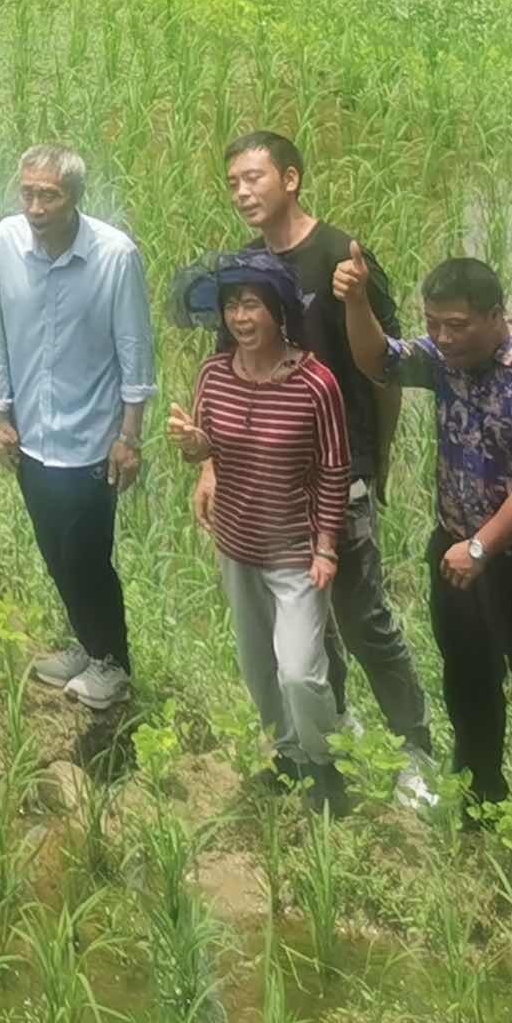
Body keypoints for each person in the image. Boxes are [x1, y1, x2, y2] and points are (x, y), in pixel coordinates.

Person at [340, 252, 512, 846]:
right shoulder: (443, 359)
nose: (443, 337)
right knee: (469, 685)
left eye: (456, 325)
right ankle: (479, 813)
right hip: (455, 553)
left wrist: (481, 547)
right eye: (433, 323)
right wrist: (356, 301)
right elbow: (380, 360)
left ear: (496, 315)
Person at [223, 134, 442, 807]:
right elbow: (230, 371)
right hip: (270, 483)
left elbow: (387, 367)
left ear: (291, 179)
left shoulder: (342, 257)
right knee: (302, 629)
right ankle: (332, 738)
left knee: (361, 615)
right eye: (233, 182)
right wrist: (212, 469)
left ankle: (414, 750)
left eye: (254, 177)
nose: (242, 192)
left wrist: (376, 463)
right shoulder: (246, 267)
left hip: (340, 474)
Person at [169, 250, 351, 803]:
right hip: (237, 544)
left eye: (251, 305)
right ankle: (289, 756)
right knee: (257, 667)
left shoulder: (316, 383)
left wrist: (326, 547)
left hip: (296, 551)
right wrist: (194, 446)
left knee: (299, 669)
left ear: (278, 311)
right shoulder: (214, 373)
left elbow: (335, 469)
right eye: (231, 306)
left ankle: (326, 765)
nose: (240, 318)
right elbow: (208, 451)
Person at [0, 145, 156, 711]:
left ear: (75, 197)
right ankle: (88, 645)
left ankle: (114, 665)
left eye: (49, 196)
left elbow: (135, 354)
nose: (35, 207)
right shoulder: (5, 242)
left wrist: (129, 437)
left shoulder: (114, 256)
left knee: (86, 558)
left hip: (91, 443)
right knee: (53, 551)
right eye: (28, 193)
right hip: (31, 438)